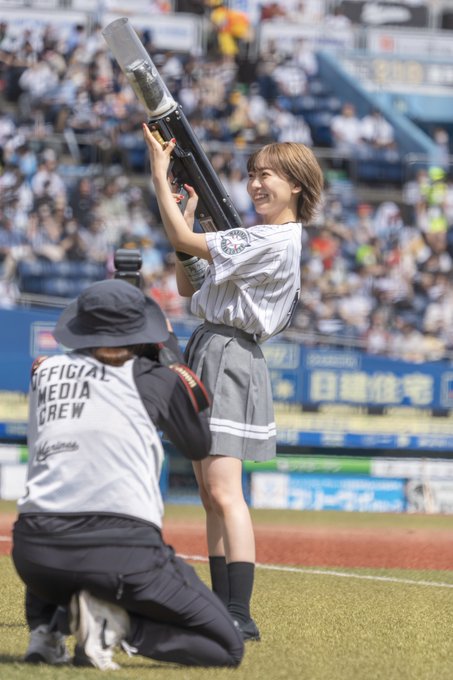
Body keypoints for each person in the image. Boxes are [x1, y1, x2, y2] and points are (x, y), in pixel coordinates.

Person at [142, 125, 324, 641]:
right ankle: (225, 607)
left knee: (223, 490)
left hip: (228, 352)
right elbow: (188, 282)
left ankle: (239, 613)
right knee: (209, 492)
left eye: (267, 175)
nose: (256, 183)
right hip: (212, 346)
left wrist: (159, 173)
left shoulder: (271, 238)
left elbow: (184, 245)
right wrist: (186, 216)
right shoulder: (259, 237)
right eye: (252, 175)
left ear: (296, 185)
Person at [12, 278, 244, 670]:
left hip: (35, 554)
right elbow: (198, 445)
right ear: (141, 332)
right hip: (123, 552)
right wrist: (172, 361)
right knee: (227, 647)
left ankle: (45, 632)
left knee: (64, 495)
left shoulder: (44, 371)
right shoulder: (156, 379)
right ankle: (118, 626)